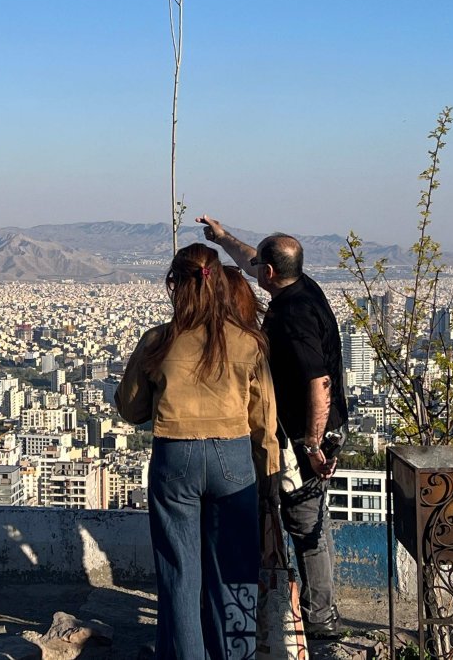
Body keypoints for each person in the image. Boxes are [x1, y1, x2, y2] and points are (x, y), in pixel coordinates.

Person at [115, 243, 279, 659]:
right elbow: (265, 423)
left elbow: (131, 409)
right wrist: (271, 480)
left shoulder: (158, 341)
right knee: (236, 573)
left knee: (180, 575)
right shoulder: (248, 342)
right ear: (220, 283)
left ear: (175, 286)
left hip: (175, 457)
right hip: (234, 458)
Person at [197, 215, 350, 640]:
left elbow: (318, 382)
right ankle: (314, 610)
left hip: (305, 438)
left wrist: (313, 445)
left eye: (259, 267)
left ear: (270, 273)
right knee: (310, 519)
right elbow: (251, 261)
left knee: (305, 524)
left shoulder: (291, 316)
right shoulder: (303, 286)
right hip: (313, 431)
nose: (253, 270)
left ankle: (318, 618)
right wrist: (224, 238)